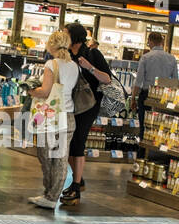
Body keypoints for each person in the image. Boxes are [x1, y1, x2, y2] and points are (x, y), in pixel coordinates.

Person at [25, 29, 78, 209]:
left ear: (51, 44)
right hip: (68, 115)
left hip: (51, 116)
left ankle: (49, 194)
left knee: (45, 154)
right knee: (61, 158)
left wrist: (30, 90)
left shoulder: (51, 64)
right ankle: (53, 196)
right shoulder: (74, 65)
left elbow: (46, 92)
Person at [61, 21, 113, 205]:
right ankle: (78, 178)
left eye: (65, 33)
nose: (63, 36)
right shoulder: (65, 54)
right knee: (66, 144)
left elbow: (107, 79)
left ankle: (76, 187)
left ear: (75, 37)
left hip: (88, 105)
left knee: (78, 142)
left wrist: (89, 67)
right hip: (69, 104)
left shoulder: (92, 53)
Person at [135, 30, 178, 136]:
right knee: (160, 127)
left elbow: (138, 81)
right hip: (164, 96)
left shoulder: (146, 57)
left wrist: (133, 98)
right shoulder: (172, 58)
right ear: (161, 42)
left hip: (147, 95)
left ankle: (143, 151)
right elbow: (175, 81)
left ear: (150, 41)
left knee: (145, 125)